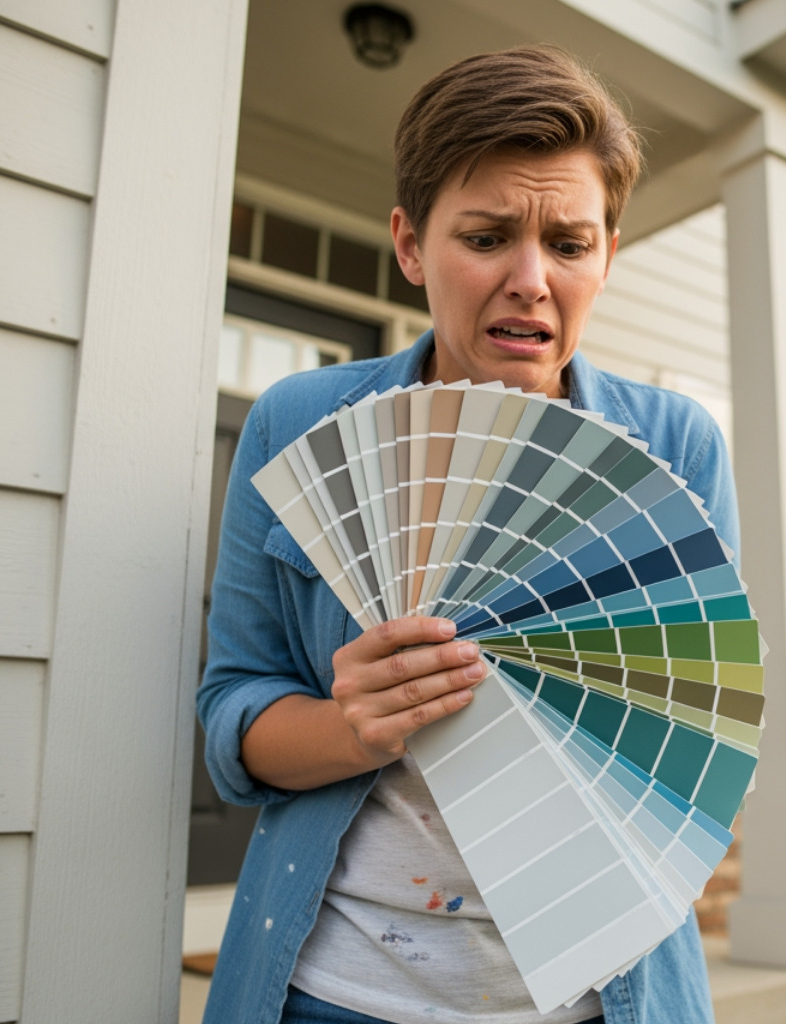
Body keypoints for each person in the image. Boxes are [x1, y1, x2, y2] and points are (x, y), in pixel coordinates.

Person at [198, 46, 734, 1024]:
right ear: (410, 244)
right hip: (333, 990)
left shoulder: (673, 446)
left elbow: (698, 732)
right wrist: (349, 726)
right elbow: (234, 709)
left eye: (569, 244)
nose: (531, 280)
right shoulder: (294, 425)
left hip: (596, 996)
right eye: (487, 236)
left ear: (608, 254)